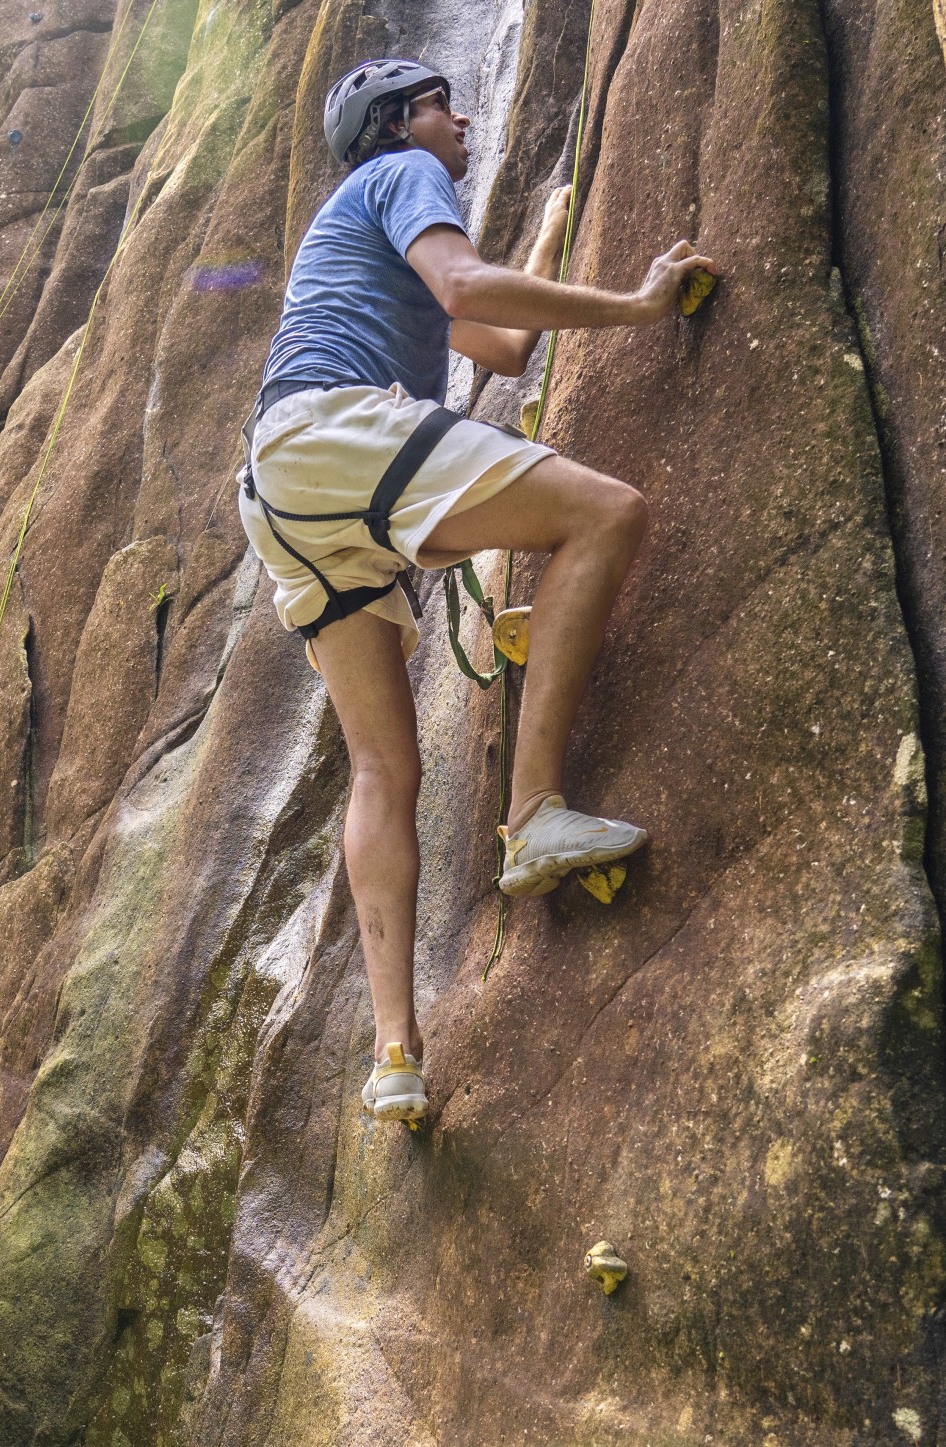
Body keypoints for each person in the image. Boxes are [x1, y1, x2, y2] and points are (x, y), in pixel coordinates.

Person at [239, 58, 717, 1122]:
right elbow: (463, 287)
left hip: (280, 490)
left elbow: (494, 342)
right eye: (443, 106)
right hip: (333, 429)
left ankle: (395, 1055)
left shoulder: (358, 235)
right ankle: (534, 810)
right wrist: (639, 306)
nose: (462, 121)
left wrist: (548, 240)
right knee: (607, 512)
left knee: (380, 767)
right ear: (399, 120)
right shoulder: (403, 174)